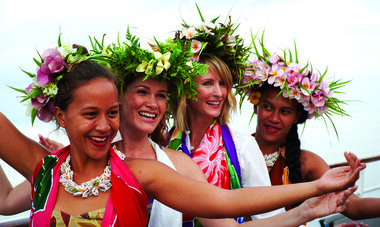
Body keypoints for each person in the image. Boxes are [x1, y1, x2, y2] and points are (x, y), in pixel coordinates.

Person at [0, 34, 363, 227]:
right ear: (61, 117)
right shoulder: (47, 169)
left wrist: (312, 197)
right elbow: (5, 204)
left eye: (109, 113)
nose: (103, 125)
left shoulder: (144, 171)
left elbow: (227, 203)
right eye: (91, 113)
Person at [238, 34, 380, 222]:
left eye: (285, 111)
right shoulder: (233, 152)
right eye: (267, 107)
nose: (273, 118)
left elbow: (351, 205)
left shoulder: (307, 162)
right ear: (256, 106)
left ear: (297, 116)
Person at [167, 8, 283, 226]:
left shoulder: (241, 146)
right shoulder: (165, 141)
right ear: (186, 90)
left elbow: (270, 215)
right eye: (208, 83)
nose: (219, 93)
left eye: (223, 84)